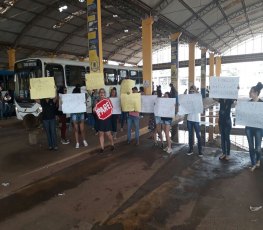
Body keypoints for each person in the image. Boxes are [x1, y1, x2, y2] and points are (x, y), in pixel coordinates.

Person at [245, 82, 263, 172]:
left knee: (258, 148)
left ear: (256, 93)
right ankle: (253, 163)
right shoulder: (248, 103)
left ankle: (258, 159)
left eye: (251, 92)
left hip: (259, 128)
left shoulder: (261, 103)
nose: (249, 93)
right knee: (251, 147)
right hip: (249, 128)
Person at [94, 88, 114, 153]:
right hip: (100, 120)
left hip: (107, 119)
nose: (102, 93)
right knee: (101, 134)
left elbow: (111, 108)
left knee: (108, 134)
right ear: (99, 94)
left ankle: (112, 144)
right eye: (100, 92)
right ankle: (102, 148)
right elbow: (94, 112)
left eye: (103, 92)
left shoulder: (107, 100)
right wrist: (94, 109)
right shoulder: (96, 101)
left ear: (104, 93)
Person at [186, 85, 203, 157]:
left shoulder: (198, 98)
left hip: (196, 119)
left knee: (198, 136)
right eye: (190, 91)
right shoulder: (188, 98)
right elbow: (184, 105)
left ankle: (200, 151)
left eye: (193, 91)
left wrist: (196, 93)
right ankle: (191, 149)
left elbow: (201, 104)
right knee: (190, 135)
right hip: (189, 119)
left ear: (195, 91)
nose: (192, 92)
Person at [71, 85, 88, 149]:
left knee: (80, 129)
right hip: (76, 114)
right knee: (78, 129)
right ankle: (79, 142)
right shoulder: (72, 98)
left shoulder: (82, 97)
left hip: (80, 114)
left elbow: (85, 105)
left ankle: (81, 141)